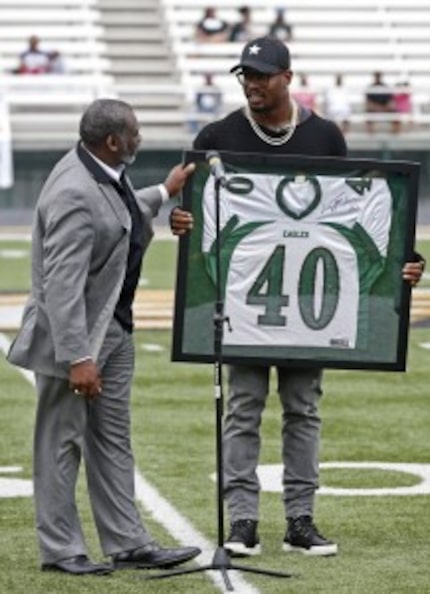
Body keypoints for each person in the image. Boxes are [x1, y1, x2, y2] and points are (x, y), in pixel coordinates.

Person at [171, 36, 425, 558]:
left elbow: (350, 211)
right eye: (246, 75)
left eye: (263, 74)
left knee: (303, 408)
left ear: (288, 77)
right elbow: (196, 220)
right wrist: (180, 221)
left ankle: (300, 519)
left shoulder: (326, 136)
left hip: (312, 300)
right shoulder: (218, 135)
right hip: (244, 302)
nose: (253, 84)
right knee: (242, 409)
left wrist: (406, 254)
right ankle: (242, 521)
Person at [7, 98, 201, 576]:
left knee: (113, 440)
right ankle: (61, 549)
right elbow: (61, 285)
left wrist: (165, 191)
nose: (140, 138)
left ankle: (128, 542)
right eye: (135, 132)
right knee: (60, 443)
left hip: (113, 328)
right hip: (75, 340)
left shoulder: (99, 168)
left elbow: (119, 210)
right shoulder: (73, 191)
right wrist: (77, 356)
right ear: (114, 141)